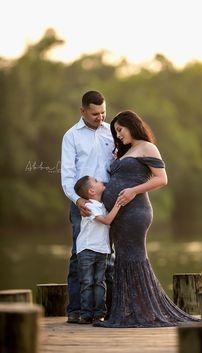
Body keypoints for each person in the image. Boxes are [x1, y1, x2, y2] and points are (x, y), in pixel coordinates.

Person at [94, 110, 200, 328]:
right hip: (118, 214)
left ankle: (143, 312)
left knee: (133, 258)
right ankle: (131, 312)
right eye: (115, 132)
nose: (118, 135)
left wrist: (133, 191)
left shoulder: (147, 147)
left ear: (131, 125)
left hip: (135, 212)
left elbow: (162, 179)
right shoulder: (127, 150)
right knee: (123, 259)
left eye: (120, 130)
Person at [61, 91, 114, 323]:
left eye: (103, 112)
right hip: (81, 203)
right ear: (82, 111)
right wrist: (79, 201)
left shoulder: (112, 132)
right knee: (79, 255)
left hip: (109, 202)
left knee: (110, 257)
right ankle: (76, 310)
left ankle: (109, 311)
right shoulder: (71, 136)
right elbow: (67, 176)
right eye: (94, 113)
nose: (100, 117)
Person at [73, 176, 121, 324]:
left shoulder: (102, 206)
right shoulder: (89, 206)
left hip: (102, 250)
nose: (100, 181)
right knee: (87, 282)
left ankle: (99, 313)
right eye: (96, 180)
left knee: (99, 282)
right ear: (92, 190)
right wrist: (118, 205)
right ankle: (86, 313)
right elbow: (106, 221)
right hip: (87, 249)